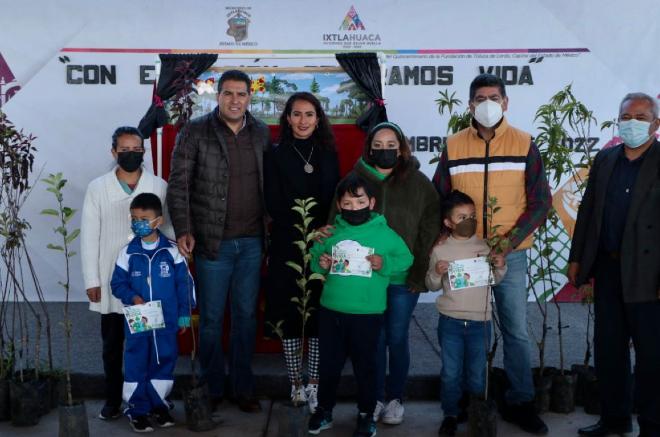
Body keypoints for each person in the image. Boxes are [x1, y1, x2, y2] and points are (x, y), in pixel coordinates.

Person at [432, 73, 551, 435]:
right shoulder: (454, 146)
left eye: (494, 97)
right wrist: (442, 246)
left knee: (515, 330)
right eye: (480, 97)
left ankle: (520, 401)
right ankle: (465, 404)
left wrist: (509, 242)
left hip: (507, 256)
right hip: (465, 256)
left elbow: (540, 202)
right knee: (465, 327)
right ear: (469, 105)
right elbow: (439, 198)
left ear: (506, 103)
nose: (487, 103)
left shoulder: (524, 144)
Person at [322, 121, 440, 424]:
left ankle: (395, 397)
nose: (385, 150)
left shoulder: (418, 182)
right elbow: (337, 222)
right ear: (369, 147)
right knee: (372, 341)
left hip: (402, 280)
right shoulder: (353, 179)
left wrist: (418, 271)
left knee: (397, 338)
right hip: (363, 280)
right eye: (378, 145)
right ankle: (372, 398)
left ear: (401, 148)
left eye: (391, 145)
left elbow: (429, 227)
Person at [166, 69, 270, 412]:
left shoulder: (262, 133)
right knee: (210, 320)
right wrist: (183, 229)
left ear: (249, 98)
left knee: (245, 318)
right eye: (228, 93)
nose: (235, 100)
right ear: (217, 95)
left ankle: (242, 387)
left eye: (242, 94)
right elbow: (178, 185)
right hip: (214, 243)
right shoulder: (195, 131)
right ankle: (212, 387)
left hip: (253, 242)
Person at [568, 92, 660, 437]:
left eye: (640, 116)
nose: (632, 123)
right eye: (626, 117)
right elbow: (588, 212)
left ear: (655, 123)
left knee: (652, 356)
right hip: (607, 269)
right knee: (609, 350)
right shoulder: (605, 159)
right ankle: (614, 420)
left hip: (649, 275)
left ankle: (652, 424)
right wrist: (577, 258)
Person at [308, 174, 413, 437]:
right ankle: (324, 411)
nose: (354, 208)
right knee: (329, 365)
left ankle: (366, 415)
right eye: (347, 203)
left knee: (366, 367)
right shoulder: (332, 233)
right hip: (331, 310)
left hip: (367, 314)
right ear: (340, 205)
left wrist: (383, 263)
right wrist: (320, 264)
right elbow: (315, 260)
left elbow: (406, 259)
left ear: (372, 202)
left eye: (360, 201)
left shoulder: (385, 234)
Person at [80, 126, 172, 420]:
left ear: (144, 152)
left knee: (145, 344)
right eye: (124, 150)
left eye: (137, 150)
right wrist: (92, 280)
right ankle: (112, 399)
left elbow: (166, 229)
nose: (131, 155)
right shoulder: (98, 188)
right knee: (112, 345)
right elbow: (89, 236)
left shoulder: (158, 185)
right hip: (111, 279)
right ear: (113, 152)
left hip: (145, 283)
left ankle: (144, 400)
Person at [264, 92, 339, 411]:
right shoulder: (275, 154)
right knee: (290, 312)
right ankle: (295, 383)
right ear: (287, 118)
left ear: (318, 118)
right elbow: (273, 201)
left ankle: (314, 384)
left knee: (320, 314)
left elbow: (334, 200)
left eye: (309, 114)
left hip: (323, 244)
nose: (303, 120)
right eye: (296, 114)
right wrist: (302, 231)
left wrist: (322, 231)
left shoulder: (328, 154)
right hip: (287, 244)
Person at [111, 193, 195, 433]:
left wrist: (184, 314)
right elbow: (117, 284)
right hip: (138, 322)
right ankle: (137, 410)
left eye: (144, 218)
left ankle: (159, 406)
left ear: (158, 221)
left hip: (166, 322)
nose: (138, 222)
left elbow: (184, 285)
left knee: (163, 361)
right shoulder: (127, 253)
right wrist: (132, 297)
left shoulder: (173, 251)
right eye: (134, 218)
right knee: (137, 362)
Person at [425, 191, 506, 436]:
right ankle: (450, 414)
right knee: (450, 373)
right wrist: (438, 272)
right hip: (450, 321)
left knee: (477, 374)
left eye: (471, 215)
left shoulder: (484, 245)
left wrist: (500, 266)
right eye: (461, 217)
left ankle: (476, 412)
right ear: (448, 222)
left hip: (480, 323)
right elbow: (431, 284)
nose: (468, 220)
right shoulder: (440, 250)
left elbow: (495, 279)